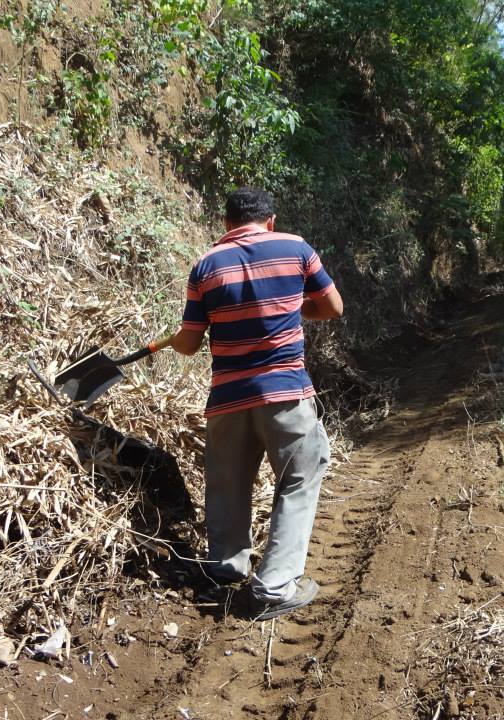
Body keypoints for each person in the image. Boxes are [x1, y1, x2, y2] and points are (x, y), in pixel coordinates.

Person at [166, 187, 343, 619]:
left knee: (227, 482)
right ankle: (276, 585)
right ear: (271, 219)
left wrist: (179, 337)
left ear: (226, 224)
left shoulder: (205, 266)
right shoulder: (295, 248)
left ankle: (227, 565)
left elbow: (189, 344)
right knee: (299, 479)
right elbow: (332, 307)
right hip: (284, 394)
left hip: (227, 399)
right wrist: (294, 307)